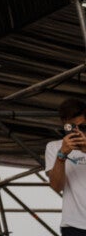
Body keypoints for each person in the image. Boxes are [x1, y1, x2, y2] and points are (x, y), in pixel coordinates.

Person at [47, 98, 86, 236]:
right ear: (64, 124)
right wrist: (61, 155)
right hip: (74, 226)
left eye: (82, 126)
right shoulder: (54, 147)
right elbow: (56, 186)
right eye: (72, 127)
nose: (78, 131)